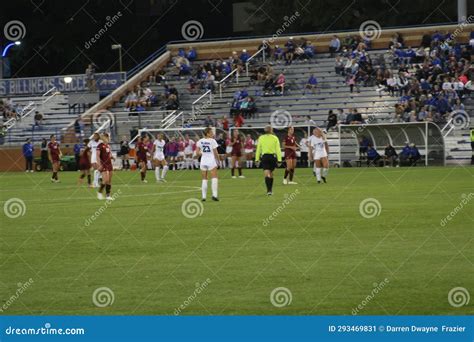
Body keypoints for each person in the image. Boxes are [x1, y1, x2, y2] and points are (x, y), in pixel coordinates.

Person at [255, 125, 282, 196]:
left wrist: (257, 159)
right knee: (271, 174)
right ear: (271, 130)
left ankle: (268, 190)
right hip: (272, 157)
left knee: (267, 173)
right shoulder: (275, 138)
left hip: (265, 157)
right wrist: (279, 160)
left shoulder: (261, 138)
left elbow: (258, 149)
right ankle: (270, 190)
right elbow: (278, 149)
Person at [196, 127, 220, 201]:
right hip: (211, 161)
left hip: (203, 161)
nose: (213, 134)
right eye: (211, 132)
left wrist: (202, 153)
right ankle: (214, 195)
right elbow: (216, 153)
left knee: (204, 179)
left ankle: (203, 197)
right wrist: (218, 161)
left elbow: (197, 153)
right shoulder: (212, 141)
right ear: (207, 133)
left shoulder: (200, 141)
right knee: (214, 177)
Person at [96, 133, 114, 200]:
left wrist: (112, 157)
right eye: (108, 137)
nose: (109, 138)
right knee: (105, 180)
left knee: (109, 180)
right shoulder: (100, 146)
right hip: (103, 164)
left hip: (109, 164)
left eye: (108, 137)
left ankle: (108, 195)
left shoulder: (108, 146)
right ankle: (99, 192)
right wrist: (99, 164)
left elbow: (109, 154)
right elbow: (97, 156)